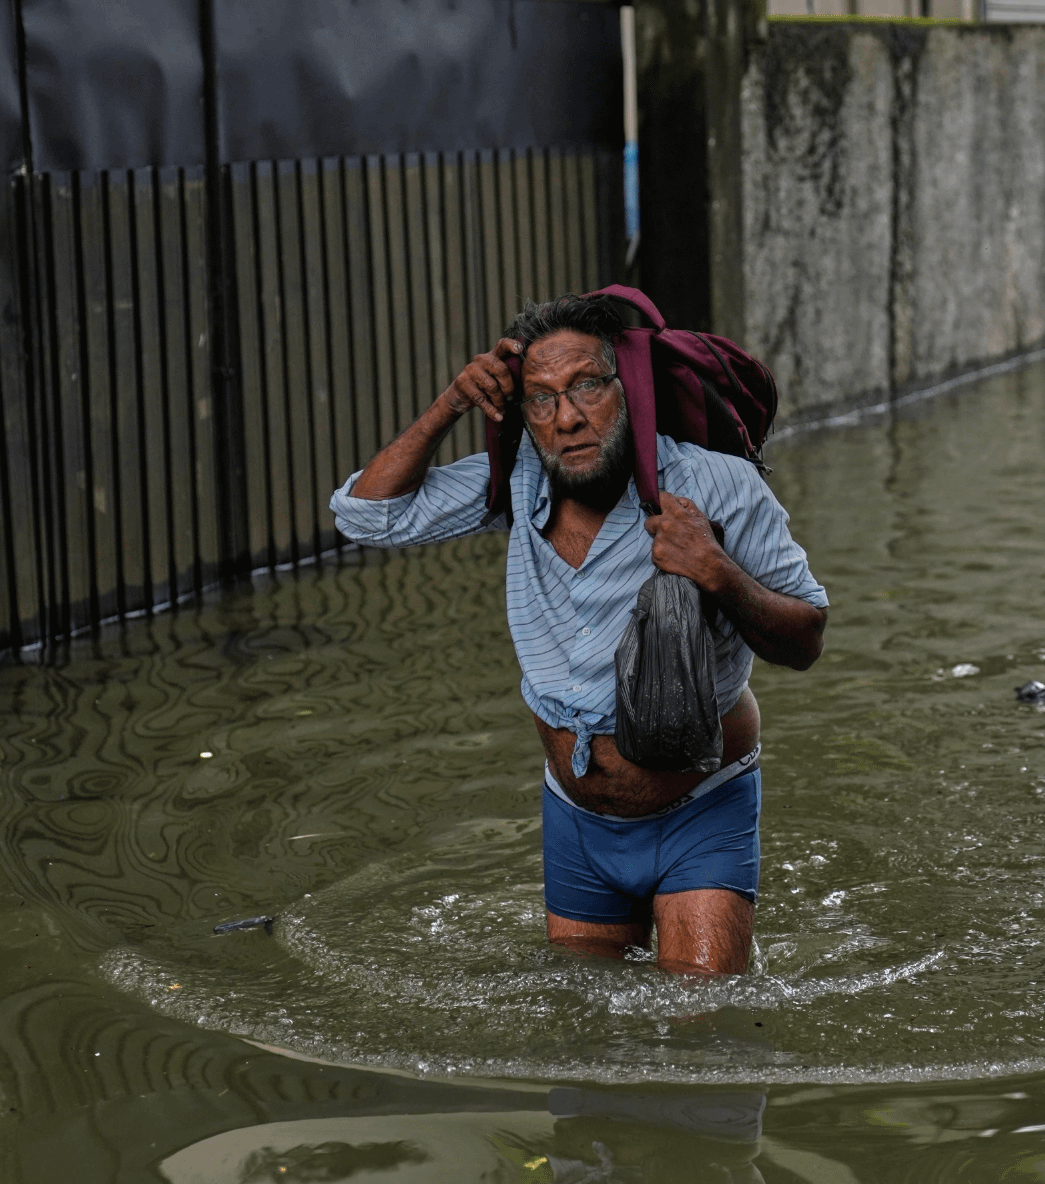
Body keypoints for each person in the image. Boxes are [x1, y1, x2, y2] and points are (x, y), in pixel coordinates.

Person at [329, 295, 828, 976]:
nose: (566, 417)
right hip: (575, 818)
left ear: (631, 387)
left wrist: (719, 573)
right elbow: (365, 518)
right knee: (587, 1031)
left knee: (705, 1029)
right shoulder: (516, 484)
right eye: (540, 399)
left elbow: (806, 640)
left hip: (699, 812)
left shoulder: (718, 485)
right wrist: (450, 404)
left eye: (588, 386)